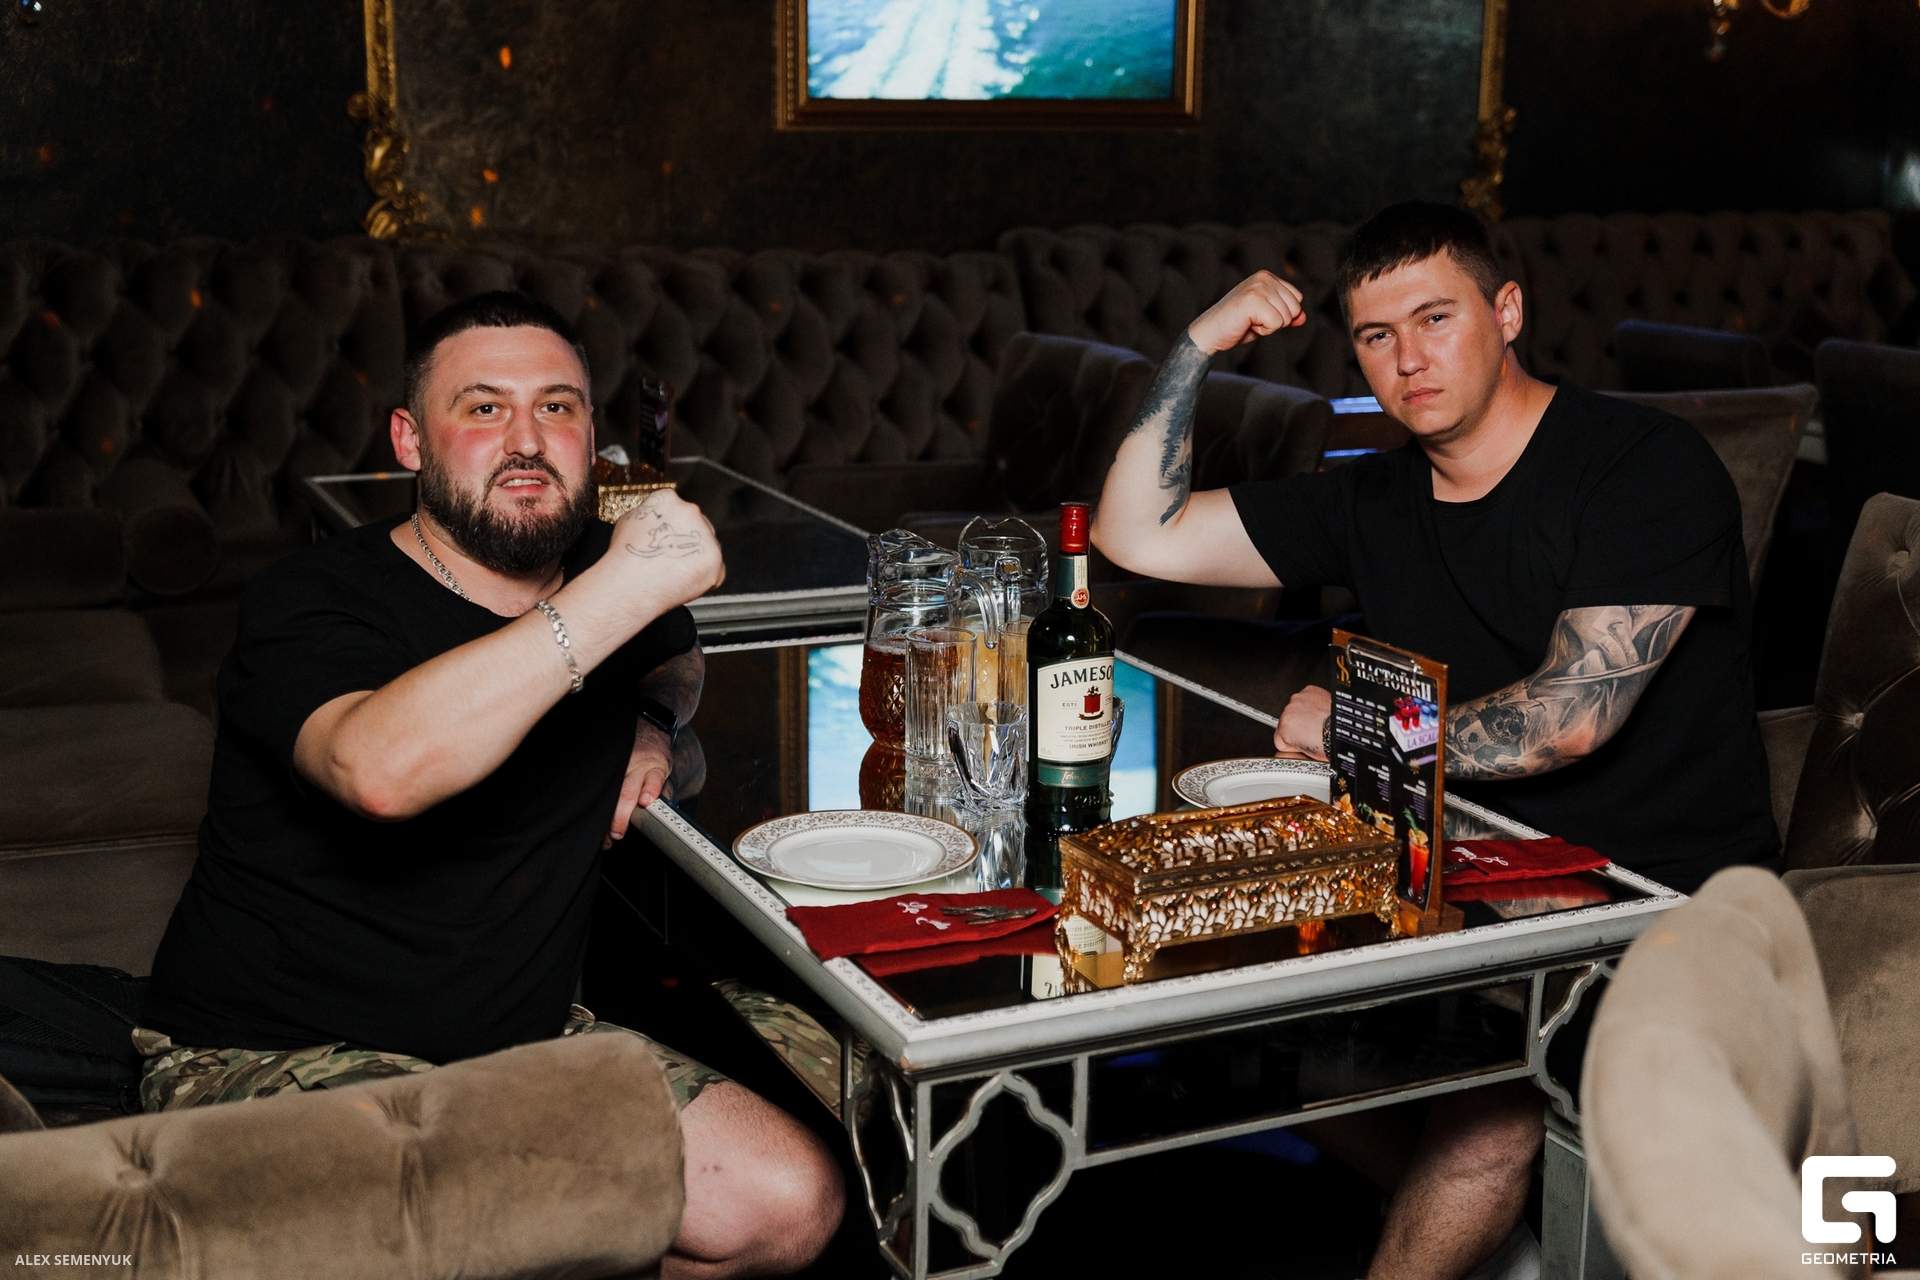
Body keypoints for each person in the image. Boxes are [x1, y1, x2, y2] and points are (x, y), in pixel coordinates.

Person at [1091, 202, 1776, 1280]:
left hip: (1653, 902)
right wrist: (1197, 346)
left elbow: (1569, 716)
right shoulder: (1373, 495)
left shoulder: (1643, 464)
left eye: (1435, 318)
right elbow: (1136, 533)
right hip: (1455, 877)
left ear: (1507, 312)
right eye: (1377, 335)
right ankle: (1502, 1239)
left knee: (1484, 1108)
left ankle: (1474, 1221)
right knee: (1204, 985)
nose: (1408, 358)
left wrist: (1353, 731)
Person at [138, 291, 843, 1280]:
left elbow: (677, 652)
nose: (526, 440)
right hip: (270, 1050)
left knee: (790, 1201)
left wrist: (652, 722)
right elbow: (380, 770)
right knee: (459, 1230)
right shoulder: (312, 598)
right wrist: (619, 591)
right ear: (409, 440)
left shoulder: (600, 569)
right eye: (482, 408)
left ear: (591, 437)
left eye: (557, 407)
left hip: (515, 1043)